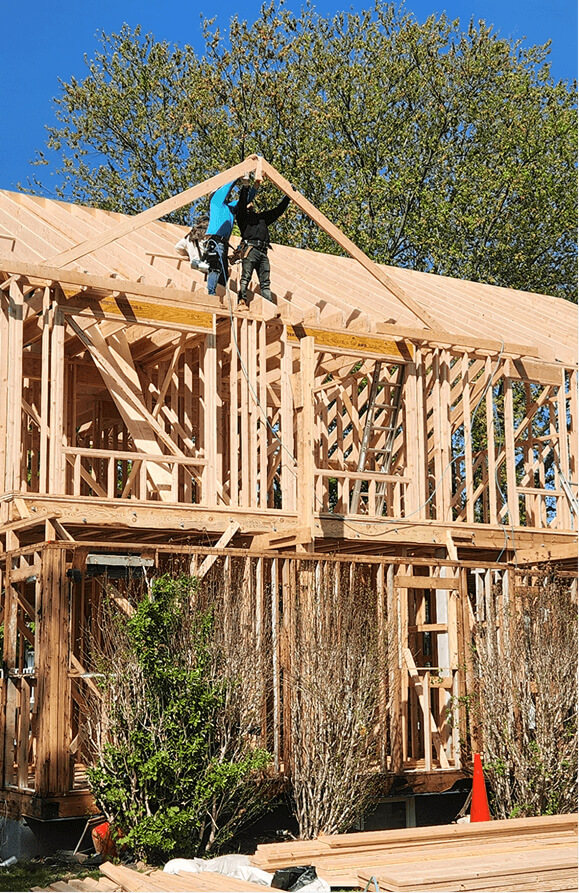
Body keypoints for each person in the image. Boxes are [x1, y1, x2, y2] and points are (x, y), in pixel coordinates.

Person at [236, 185, 290, 307]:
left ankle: (268, 306)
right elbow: (241, 204)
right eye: (247, 203)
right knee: (245, 278)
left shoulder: (262, 219)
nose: (250, 204)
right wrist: (245, 188)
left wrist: (288, 197)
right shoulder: (242, 218)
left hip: (263, 252)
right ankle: (242, 301)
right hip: (251, 250)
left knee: (265, 282)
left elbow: (277, 211)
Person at [205, 179, 254, 295]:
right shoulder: (215, 202)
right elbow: (226, 188)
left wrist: (254, 187)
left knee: (223, 274)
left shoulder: (229, 208)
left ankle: (219, 297)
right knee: (216, 268)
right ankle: (211, 295)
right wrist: (237, 175)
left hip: (223, 243)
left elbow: (245, 200)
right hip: (215, 240)